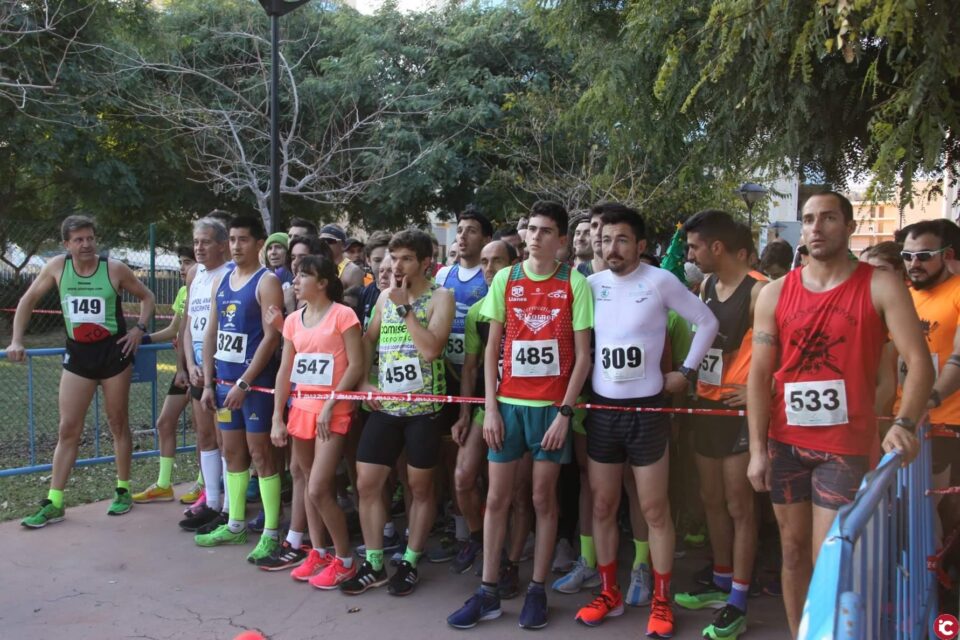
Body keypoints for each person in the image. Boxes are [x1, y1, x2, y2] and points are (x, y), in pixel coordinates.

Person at [747, 191, 930, 638]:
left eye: (828, 218)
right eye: (808, 219)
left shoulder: (880, 284)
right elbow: (757, 376)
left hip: (844, 449)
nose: (816, 227)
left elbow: (919, 361)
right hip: (785, 442)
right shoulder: (774, 293)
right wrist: (756, 449)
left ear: (848, 226)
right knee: (791, 553)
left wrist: (904, 422)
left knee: (828, 558)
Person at [447, 200, 594, 630]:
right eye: (531, 228)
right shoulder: (507, 279)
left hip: (550, 410)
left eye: (546, 230)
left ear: (561, 241)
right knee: (496, 498)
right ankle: (488, 591)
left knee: (542, 499)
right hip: (508, 407)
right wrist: (490, 409)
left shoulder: (574, 283)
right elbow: (493, 348)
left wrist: (565, 413)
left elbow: (583, 356)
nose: (535, 236)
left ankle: (536, 590)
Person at [573, 205, 718, 637]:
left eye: (622, 240)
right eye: (606, 240)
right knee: (603, 505)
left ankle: (660, 598)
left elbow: (706, 321)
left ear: (639, 245)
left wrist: (687, 373)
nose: (611, 247)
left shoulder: (660, 281)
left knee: (654, 509)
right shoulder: (589, 285)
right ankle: (608, 592)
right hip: (603, 410)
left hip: (649, 410)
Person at [11, 215, 156, 528]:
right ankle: (55, 501)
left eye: (90, 238)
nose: (86, 244)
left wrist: (139, 329)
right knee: (68, 428)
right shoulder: (57, 268)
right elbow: (27, 300)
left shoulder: (114, 268)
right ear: (67, 245)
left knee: (118, 422)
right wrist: (16, 341)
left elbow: (147, 297)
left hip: (113, 354)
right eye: (78, 239)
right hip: (78, 356)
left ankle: (123, 489)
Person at [341, 229, 455, 596]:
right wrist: (362, 383)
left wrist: (406, 307)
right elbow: (367, 341)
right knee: (367, 482)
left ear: (425, 262)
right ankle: (374, 563)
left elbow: (432, 350)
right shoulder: (382, 299)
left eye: (406, 258)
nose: (397, 266)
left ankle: (409, 560)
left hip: (425, 407)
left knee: (420, 487)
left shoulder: (441, 297)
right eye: (394, 258)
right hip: (388, 406)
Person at [674, 209, 765, 639]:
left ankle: (739, 600)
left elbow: (789, 350)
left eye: (693, 246)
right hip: (706, 405)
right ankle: (722, 579)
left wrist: (760, 390)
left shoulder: (763, 291)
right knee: (710, 498)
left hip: (740, 412)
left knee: (738, 505)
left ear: (716, 247)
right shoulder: (707, 285)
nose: (689, 254)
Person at [265, 255, 365, 583]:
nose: (296, 281)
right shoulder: (293, 320)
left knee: (321, 486)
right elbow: (285, 371)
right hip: (301, 409)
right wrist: (277, 417)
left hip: (332, 412)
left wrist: (331, 403)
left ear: (322, 282)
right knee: (308, 484)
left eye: (303, 275)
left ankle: (345, 558)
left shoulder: (343, 315)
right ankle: (319, 552)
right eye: (296, 275)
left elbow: (355, 365)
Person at [196, 216, 285, 566]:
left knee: (260, 454)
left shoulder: (268, 282)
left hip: (256, 385)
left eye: (243, 239)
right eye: (232, 239)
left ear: (259, 243)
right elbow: (211, 333)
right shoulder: (224, 281)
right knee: (231, 452)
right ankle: (235, 524)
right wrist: (208, 381)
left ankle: (271, 532)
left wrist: (245, 383)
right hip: (222, 383)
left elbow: (271, 336)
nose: (235, 245)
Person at [450, 240, 520, 575]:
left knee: (518, 493)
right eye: (485, 263)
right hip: (485, 406)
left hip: (527, 407)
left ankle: (511, 562)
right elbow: (470, 367)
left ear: (515, 264)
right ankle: (477, 538)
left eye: (497, 262)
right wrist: (464, 413)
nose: (489, 270)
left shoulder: (531, 305)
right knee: (463, 477)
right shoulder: (478, 310)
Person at [889, 221, 960, 541]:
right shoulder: (901, 297)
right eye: (907, 256)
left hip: (944, 422)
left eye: (924, 256)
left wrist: (928, 400)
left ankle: (938, 582)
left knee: (928, 505)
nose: (914, 264)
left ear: (947, 255)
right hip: (900, 420)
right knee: (905, 505)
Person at [433, 209, 493, 563]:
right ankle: (463, 532)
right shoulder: (445, 275)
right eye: (460, 231)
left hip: (481, 381)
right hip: (448, 377)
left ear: (485, 238)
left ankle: (491, 531)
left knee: (485, 468)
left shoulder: (490, 277)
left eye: (472, 231)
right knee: (453, 459)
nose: (463, 236)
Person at [178, 218, 232, 532]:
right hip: (197, 366)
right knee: (204, 436)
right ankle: (211, 501)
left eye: (206, 241)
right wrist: (189, 364)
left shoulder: (228, 275)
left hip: (221, 370)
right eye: (196, 241)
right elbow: (188, 324)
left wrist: (209, 369)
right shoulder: (193, 273)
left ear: (222, 244)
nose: (199, 248)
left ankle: (228, 507)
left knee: (227, 441)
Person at [133, 245, 197, 503]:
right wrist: (142, 338)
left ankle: (205, 485)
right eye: (180, 262)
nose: (182, 268)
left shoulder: (210, 286)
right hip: (183, 370)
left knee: (203, 431)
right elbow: (175, 329)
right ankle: (163, 484)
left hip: (202, 369)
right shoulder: (183, 291)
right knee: (164, 422)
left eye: (187, 262)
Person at [319, 224, 364, 290]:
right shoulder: (318, 267)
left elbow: (355, 299)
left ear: (343, 245)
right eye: (322, 241)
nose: (325, 244)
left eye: (330, 241)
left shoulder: (353, 271)